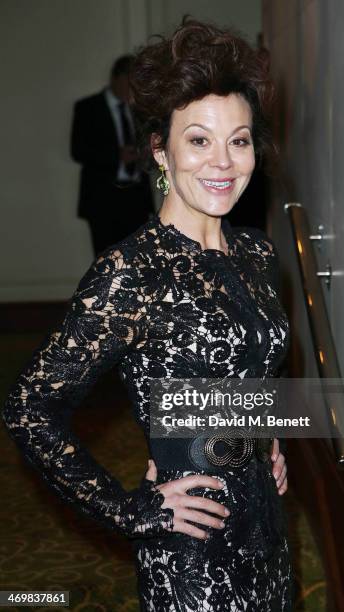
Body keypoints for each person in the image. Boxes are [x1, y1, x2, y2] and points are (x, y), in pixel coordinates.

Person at [3, 16, 292, 611]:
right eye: (199, 139)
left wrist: (268, 440)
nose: (223, 161)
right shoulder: (131, 273)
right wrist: (130, 507)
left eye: (239, 140)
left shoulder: (257, 254)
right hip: (192, 550)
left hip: (267, 530)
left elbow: (249, 368)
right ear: (161, 149)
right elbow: (29, 407)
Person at [70, 55, 155, 256]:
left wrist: (144, 153)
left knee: (138, 261)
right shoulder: (88, 108)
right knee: (106, 262)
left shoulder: (140, 110)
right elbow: (78, 151)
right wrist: (117, 157)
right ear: (116, 78)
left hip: (136, 198)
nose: (134, 88)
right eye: (130, 82)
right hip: (103, 199)